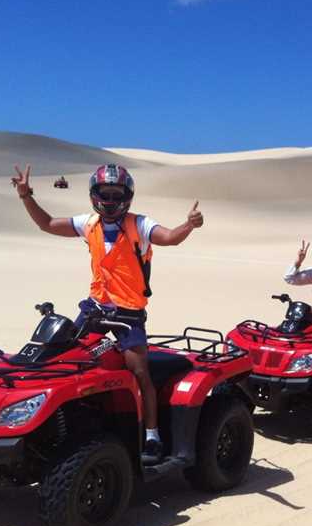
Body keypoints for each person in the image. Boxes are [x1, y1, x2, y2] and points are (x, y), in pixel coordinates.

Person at [11, 162, 203, 464]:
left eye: (116, 195)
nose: (110, 201)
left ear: (126, 197)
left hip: (129, 314)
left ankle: (152, 435)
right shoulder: (88, 224)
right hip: (96, 307)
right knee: (65, 357)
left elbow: (170, 237)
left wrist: (188, 224)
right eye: (105, 194)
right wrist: (26, 196)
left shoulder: (140, 225)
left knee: (140, 371)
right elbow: (46, 224)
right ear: (94, 195)